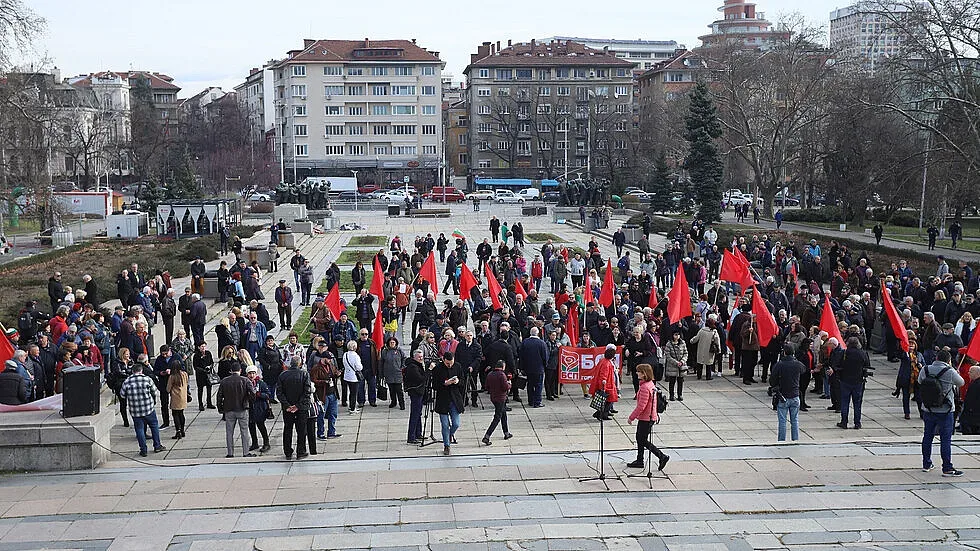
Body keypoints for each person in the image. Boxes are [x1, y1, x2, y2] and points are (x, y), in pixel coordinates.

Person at [919, 349, 965, 476]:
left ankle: (926, 463)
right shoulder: (950, 371)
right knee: (945, 439)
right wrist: (955, 372)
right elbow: (961, 382)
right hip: (945, 410)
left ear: (936, 358)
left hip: (928, 409)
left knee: (927, 436)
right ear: (948, 360)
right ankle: (947, 467)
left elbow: (920, 381)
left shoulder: (925, 369)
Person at [627, 363, 670, 470]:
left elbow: (641, 406)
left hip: (646, 418)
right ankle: (639, 460)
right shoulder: (650, 384)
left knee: (643, 440)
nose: (637, 373)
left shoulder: (645, 387)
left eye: (639, 372)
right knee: (639, 438)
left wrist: (631, 417)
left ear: (644, 374)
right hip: (648, 417)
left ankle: (661, 456)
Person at [118, 362, 166, 457]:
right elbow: (154, 391)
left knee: (139, 429)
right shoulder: (146, 379)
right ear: (141, 371)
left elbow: (122, 395)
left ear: (132, 371)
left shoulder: (127, 381)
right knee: (154, 426)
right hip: (148, 408)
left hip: (135, 410)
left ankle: (143, 450)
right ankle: (157, 445)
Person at [216, 362, 255, 458]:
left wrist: (220, 408)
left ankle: (230, 453)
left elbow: (219, 396)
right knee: (244, 431)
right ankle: (245, 452)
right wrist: (248, 401)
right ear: (240, 370)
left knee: (229, 432)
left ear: (231, 371)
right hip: (242, 408)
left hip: (229, 409)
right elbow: (252, 394)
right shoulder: (245, 380)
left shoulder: (224, 381)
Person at [278, 356, 311, 460]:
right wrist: (297, 405)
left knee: (288, 429)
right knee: (301, 430)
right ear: (299, 364)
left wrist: (287, 405)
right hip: (301, 408)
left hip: (287, 408)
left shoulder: (283, 375)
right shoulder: (304, 374)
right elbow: (307, 392)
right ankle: (300, 451)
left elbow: (279, 393)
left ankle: (288, 452)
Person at [769, 344, 805, 442]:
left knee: (782, 421)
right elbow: (804, 370)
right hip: (795, 394)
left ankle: (781, 440)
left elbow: (772, 380)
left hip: (783, 395)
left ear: (784, 352)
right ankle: (795, 439)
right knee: (795, 420)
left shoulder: (779, 365)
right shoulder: (797, 364)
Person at [433, 351, 466, 455]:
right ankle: (446, 445)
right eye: (447, 363)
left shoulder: (457, 366)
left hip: (454, 399)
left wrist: (457, 382)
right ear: (443, 360)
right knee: (445, 424)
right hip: (443, 399)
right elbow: (434, 385)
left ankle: (449, 435)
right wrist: (444, 384)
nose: (450, 365)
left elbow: (463, 381)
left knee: (456, 423)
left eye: (451, 363)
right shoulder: (438, 368)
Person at [836, 337, 870, 430]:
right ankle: (857, 423)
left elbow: (838, 365)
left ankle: (844, 422)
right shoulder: (862, 353)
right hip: (858, 381)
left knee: (845, 402)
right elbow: (867, 365)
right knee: (857, 403)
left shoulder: (844, 353)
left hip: (845, 380)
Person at [482, 360, 513, 445]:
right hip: (501, 398)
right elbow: (505, 387)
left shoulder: (490, 374)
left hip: (493, 398)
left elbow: (487, 387)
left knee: (503, 415)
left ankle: (506, 433)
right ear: (503, 366)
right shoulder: (502, 375)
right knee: (497, 417)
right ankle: (487, 436)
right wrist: (509, 384)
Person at [518, 327, 549, 407]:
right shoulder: (541, 343)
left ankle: (531, 401)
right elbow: (545, 356)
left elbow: (521, 355)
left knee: (530, 385)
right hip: (539, 368)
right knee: (539, 385)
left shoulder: (525, 342)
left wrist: (522, 367)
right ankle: (537, 402)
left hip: (528, 368)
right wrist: (545, 365)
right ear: (538, 333)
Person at [404, 348, 428, 444]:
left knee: (418, 413)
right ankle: (411, 437)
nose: (421, 358)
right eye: (419, 357)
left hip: (419, 392)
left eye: (422, 357)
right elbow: (421, 379)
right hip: (415, 392)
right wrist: (429, 370)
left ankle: (418, 433)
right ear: (414, 357)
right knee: (415, 414)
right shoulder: (413, 367)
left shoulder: (417, 365)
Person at [589, 345, 619, 421]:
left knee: (606, 401)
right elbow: (604, 375)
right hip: (608, 385)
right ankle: (601, 414)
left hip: (607, 384)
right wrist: (603, 386)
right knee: (608, 401)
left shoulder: (603, 361)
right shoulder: (607, 363)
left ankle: (601, 414)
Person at [381, 337, 406, 410]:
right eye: (391, 342)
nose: (392, 344)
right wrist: (381, 373)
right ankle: (393, 402)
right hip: (388, 373)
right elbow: (382, 362)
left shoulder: (399, 350)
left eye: (393, 342)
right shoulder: (385, 351)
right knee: (391, 389)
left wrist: (402, 367)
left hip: (398, 373)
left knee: (399, 390)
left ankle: (402, 403)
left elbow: (404, 358)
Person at [166, 362, 189, 439]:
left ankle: (178, 431)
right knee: (181, 413)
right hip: (183, 396)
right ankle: (182, 430)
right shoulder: (184, 374)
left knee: (175, 414)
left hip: (175, 397)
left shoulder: (172, 377)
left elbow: (168, 389)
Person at [664, 330, 688, 401]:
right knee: (672, 381)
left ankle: (680, 394)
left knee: (680, 381)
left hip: (681, 366)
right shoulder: (669, 344)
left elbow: (685, 353)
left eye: (678, 334)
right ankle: (671, 395)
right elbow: (668, 356)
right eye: (675, 335)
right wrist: (676, 362)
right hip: (672, 366)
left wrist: (682, 361)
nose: (677, 336)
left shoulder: (682, 343)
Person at [193, 341, 216, 411]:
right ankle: (200, 404)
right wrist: (203, 370)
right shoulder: (196, 355)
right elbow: (195, 366)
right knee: (200, 389)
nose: (203, 348)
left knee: (209, 389)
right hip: (200, 375)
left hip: (208, 374)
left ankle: (209, 402)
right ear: (199, 347)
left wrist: (210, 367)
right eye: (202, 346)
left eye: (204, 346)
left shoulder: (208, 353)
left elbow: (212, 362)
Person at [341, 341, 363, 414]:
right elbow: (359, 367)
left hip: (347, 375)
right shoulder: (356, 356)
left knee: (350, 392)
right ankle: (353, 408)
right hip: (354, 377)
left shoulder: (345, 354)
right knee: (354, 393)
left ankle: (351, 406)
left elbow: (344, 363)